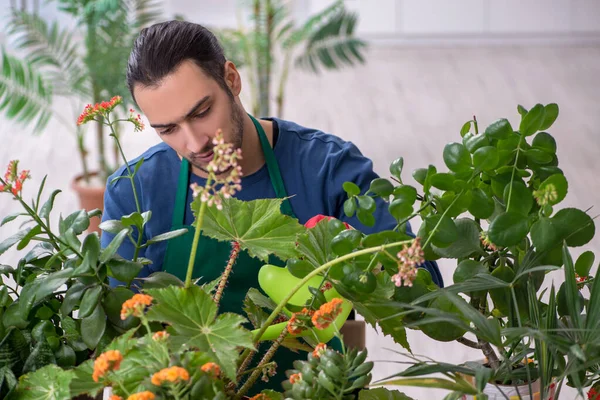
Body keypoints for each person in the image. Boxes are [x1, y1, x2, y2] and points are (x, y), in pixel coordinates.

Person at [101, 19, 442, 393]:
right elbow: (121, 332)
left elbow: (423, 294)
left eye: (201, 112)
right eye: (168, 129)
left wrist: (350, 258)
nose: (194, 142)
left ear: (231, 79)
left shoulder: (326, 167)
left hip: (321, 389)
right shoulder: (134, 191)